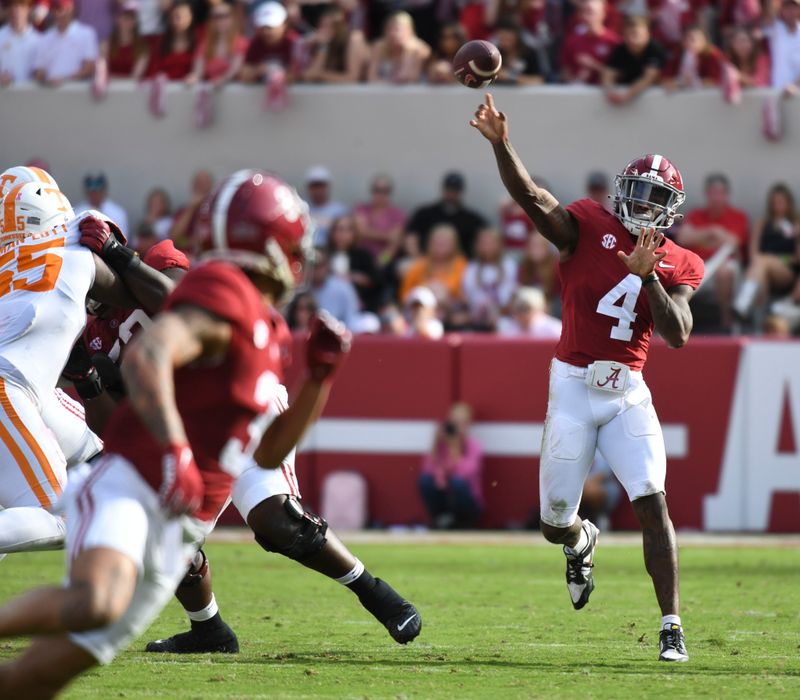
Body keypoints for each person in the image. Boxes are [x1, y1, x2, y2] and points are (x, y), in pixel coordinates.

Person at [0, 170, 419, 694]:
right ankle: (220, 624)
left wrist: (318, 382)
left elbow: (267, 451)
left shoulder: (262, 331)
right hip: (149, 473)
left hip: (184, 491)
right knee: (92, 603)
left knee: (60, 659)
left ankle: (222, 624)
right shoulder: (216, 290)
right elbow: (146, 364)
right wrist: (99, 390)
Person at [471, 92, 703, 661]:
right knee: (552, 523)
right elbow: (531, 196)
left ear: (670, 210)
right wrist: (503, 144)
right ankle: (579, 540)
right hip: (572, 386)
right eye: (638, 192)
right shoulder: (585, 225)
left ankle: (671, 626)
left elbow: (678, 334)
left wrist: (648, 279)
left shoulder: (679, 261)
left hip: (627, 392)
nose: (643, 205)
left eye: (656, 199)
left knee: (653, 500)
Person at [0, 171, 172, 559]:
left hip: (29, 389)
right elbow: (163, 301)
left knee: (91, 451)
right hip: (9, 387)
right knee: (58, 514)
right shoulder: (74, 249)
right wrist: (115, 251)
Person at [676, 173, 749, 332]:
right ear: (707, 194)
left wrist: (700, 237)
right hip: (698, 266)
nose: (716, 198)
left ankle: (727, 321)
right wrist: (713, 231)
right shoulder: (696, 215)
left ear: (727, 195)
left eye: (720, 193)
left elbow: (734, 243)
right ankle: (677, 322)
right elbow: (683, 238)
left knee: (724, 270)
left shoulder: (738, 216)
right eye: (713, 193)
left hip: (727, 267)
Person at [733, 183, 799, 321]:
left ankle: (743, 303)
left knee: (761, 262)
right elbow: (753, 253)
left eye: (781, 202)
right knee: (759, 268)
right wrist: (766, 260)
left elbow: (796, 258)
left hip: (786, 270)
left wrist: (775, 258)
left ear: (789, 203)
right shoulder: (762, 224)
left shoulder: (796, 224)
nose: (777, 206)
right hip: (762, 269)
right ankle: (758, 321)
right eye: (774, 202)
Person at [418, 403, 483, 529]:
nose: (457, 426)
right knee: (425, 480)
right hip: (444, 498)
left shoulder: (473, 445)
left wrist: (455, 449)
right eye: (455, 421)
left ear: (469, 425)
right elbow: (427, 470)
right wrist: (435, 446)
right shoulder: (441, 445)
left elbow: (467, 474)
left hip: (467, 502)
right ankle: (440, 518)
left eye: (462, 422)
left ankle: (463, 522)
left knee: (457, 482)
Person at [406, 171, 487, 258]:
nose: (451, 193)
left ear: (461, 191)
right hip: (427, 263)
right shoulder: (425, 213)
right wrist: (417, 259)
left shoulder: (472, 219)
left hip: (461, 266)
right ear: (443, 189)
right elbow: (411, 237)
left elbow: (486, 238)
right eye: (449, 189)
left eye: (455, 190)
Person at [400, 223, 468, 315]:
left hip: (452, 310)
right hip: (420, 311)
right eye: (437, 243)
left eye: (444, 243)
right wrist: (426, 288)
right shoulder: (420, 265)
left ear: (454, 245)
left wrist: (444, 292)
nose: (440, 247)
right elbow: (404, 296)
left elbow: (466, 296)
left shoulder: (462, 265)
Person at [603, 15, 667, 106]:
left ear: (647, 35)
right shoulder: (620, 49)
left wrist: (626, 96)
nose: (631, 39)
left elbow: (648, 78)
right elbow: (608, 73)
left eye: (636, 35)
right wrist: (610, 91)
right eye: (627, 35)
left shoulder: (656, 50)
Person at [461, 227, 518, 330]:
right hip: (476, 317)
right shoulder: (471, 268)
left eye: (491, 243)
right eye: (484, 243)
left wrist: (498, 312)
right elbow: (466, 295)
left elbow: (511, 295)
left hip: (504, 316)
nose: (487, 246)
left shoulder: (508, 265)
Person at [32, 0, 99, 86]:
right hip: (51, 93)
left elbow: (90, 67)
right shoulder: (45, 38)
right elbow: (39, 70)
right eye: (58, 9)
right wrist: (46, 78)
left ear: (72, 9)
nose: (62, 13)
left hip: (77, 92)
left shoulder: (87, 34)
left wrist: (64, 80)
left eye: (66, 8)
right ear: (53, 12)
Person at [300, 5, 369, 83]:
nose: (325, 30)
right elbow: (309, 76)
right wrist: (323, 46)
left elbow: (352, 78)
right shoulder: (323, 43)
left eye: (330, 26)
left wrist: (320, 75)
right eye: (322, 26)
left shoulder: (354, 39)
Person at [328, 215, 383, 312]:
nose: (342, 234)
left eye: (347, 230)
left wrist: (356, 278)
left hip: (359, 308)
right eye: (339, 229)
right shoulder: (325, 255)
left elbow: (376, 281)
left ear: (354, 234)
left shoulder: (363, 256)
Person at [186, 2, 247, 87]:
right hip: (212, 92)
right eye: (215, 17)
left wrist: (223, 79)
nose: (220, 20)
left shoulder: (241, 43)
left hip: (234, 92)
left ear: (233, 18)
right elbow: (198, 71)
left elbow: (235, 69)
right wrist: (192, 78)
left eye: (225, 16)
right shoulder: (204, 45)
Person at [560, 0, 620, 85]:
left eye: (591, 12)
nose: (587, 16)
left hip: (604, 92)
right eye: (584, 11)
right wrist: (575, 83)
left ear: (603, 14)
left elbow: (619, 74)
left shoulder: (613, 41)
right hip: (578, 93)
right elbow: (565, 71)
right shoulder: (572, 41)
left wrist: (593, 65)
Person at [352, 174, 407, 264]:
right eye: (377, 190)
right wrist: (387, 235)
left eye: (385, 191)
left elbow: (395, 241)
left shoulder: (398, 214)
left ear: (390, 192)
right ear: (371, 191)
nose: (381, 194)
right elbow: (361, 231)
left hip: (385, 261)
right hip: (361, 257)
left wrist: (381, 262)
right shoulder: (361, 209)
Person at [366, 11, 431, 84]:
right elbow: (371, 78)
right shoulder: (378, 47)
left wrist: (408, 50)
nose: (392, 33)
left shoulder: (419, 49)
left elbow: (407, 77)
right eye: (389, 29)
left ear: (409, 30)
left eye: (397, 29)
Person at [143, 0, 197, 81]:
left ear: (191, 17)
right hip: (165, 89)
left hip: (189, 90)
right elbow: (153, 70)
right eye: (176, 16)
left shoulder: (198, 41)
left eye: (184, 16)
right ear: (170, 18)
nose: (180, 20)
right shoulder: (161, 42)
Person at [310, 246, 361, 329]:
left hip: (338, 336)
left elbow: (352, 318)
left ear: (328, 266)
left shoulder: (343, 287)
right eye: (312, 265)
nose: (315, 270)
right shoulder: (300, 288)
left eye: (320, 265)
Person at [663, 25, 724, 90]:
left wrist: (693, 82)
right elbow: (665, 78)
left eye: (693, 39)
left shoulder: (712, 56)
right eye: (686, 39)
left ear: (704, 40)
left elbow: (715, 80)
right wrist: (678, 82)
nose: (688, 42)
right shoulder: (678, 55)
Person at [492, 16, 544, 86]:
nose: (505, 42)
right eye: (501, 38)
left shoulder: (529, 53)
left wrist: (510, 76)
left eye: (508, 38)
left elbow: (539, 80)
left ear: (517, 36)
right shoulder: (494, 54)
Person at [305, 165, 349, 247]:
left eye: (321, 186)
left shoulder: (339, 210)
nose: (318, 190)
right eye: (314, 186)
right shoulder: (302, 209)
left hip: (331, 252)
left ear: (327, 187)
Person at [0, 0, 42, 86]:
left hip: (30, 96)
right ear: (7, 10)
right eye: (12, 7)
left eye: (21, 6)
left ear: (29, 9)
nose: (16, 11)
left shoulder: (39, 40)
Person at [764, 0, 800, 97]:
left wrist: (795, 86)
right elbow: (769, 13)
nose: (790, 11)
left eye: (794, 7)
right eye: (787, 8)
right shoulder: (776, 28)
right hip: (777, 91)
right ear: (782, 10)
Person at [496, 286, 562, 338]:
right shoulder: (508, 328)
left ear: (539, 309)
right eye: (519, 308)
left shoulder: (555, 329)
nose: (522, 313)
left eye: (527, 308)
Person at [106, 0, 149, 79]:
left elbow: (136, 76)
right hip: (107, 89)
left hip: (130, 89)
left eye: (131, 18)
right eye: (123, 16)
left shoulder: (142, 46)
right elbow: (102, 72)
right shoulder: (107, 44)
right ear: (116, 19)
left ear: (135, 22)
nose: (126, 21)